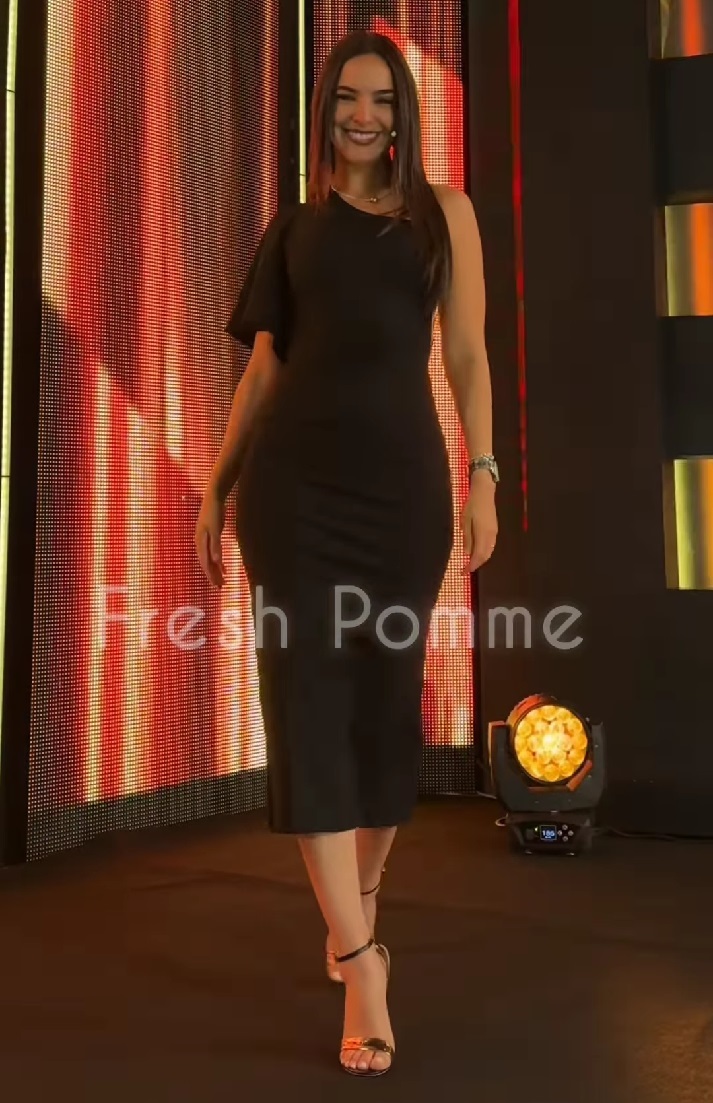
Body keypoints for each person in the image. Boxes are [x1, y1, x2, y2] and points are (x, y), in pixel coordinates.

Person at [195, 29, 498, 1078]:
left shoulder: (443, 216)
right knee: (307, 710)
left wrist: (484, 473)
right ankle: (363, 961)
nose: (362, 117)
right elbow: (263, 372)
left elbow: (466, 353)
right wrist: (217, 485)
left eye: (380, 99)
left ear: (402, 112)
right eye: (345, 100)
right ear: (322, 111)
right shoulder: (292, 230)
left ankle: (358, 902)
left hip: (402, 498)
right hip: (293, 499)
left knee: (381, 711)